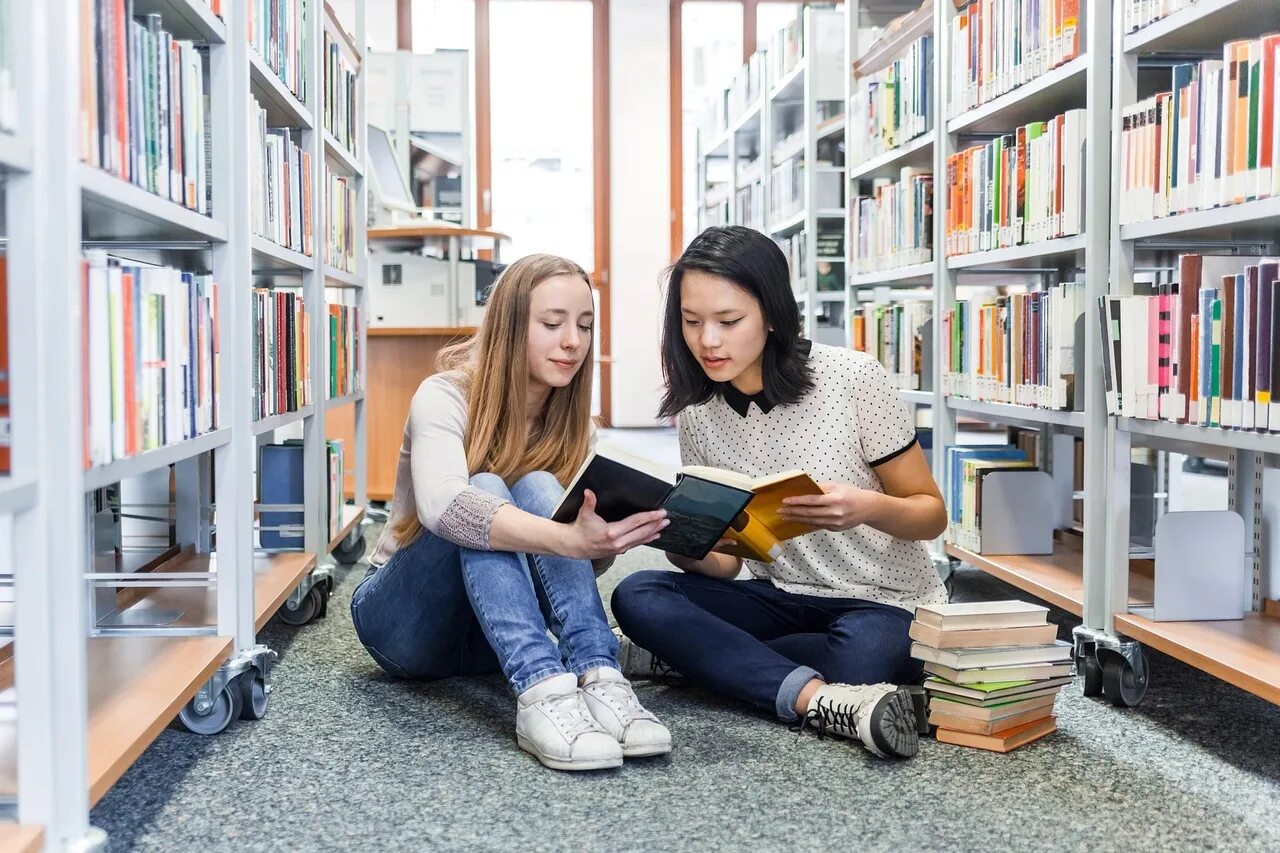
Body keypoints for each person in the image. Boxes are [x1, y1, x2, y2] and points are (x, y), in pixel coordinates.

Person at [612, 226, 949, 760]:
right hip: (782, 597)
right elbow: (725, 570)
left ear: (771, 314)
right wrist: (680, 536)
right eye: (691, 321)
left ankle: (703, 660)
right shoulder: (699, 413)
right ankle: (817, 698)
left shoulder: (853, 378)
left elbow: (931, 515)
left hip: (884, 604)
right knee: (638, 595)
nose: (708, 341)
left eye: (728, 321)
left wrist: (866, 507)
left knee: (862, 657)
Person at [352, 253, 672, 771]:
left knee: (541, 484)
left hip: (494, 635)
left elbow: (566, 574)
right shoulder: (445, 395)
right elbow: (445, 509)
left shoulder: (574, 426)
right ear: (508, 326)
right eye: (552, 324)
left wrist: (605, 541)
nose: (573, 340)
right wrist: (566, 539)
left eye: (585, 325)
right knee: (483, 487)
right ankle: (541, 687)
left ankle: (598, 673)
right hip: (402, 625)